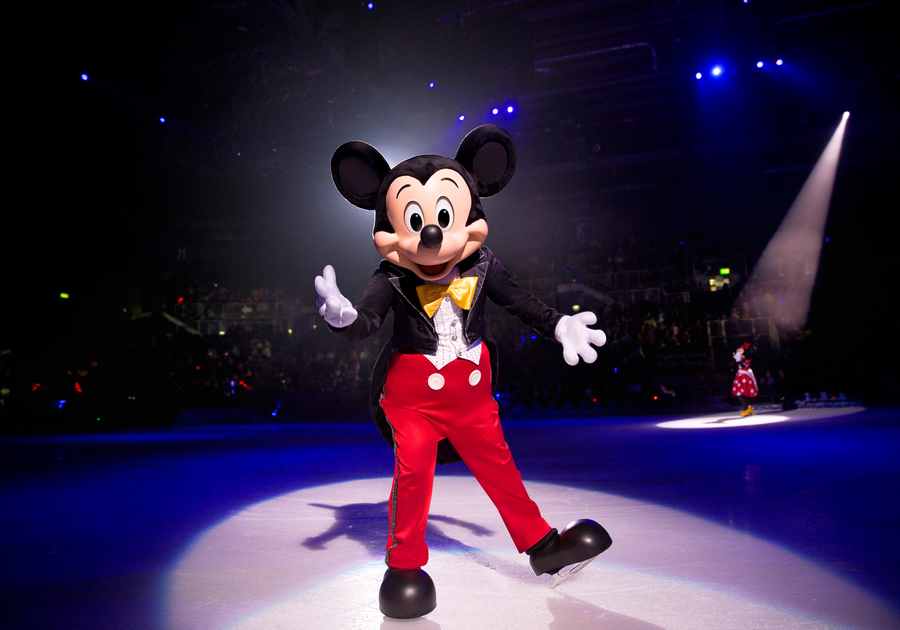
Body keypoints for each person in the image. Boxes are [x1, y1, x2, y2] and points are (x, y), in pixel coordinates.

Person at [731, 342, 758, 416]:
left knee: (740, 394)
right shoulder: (742, 357)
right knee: (741, 394)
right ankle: (748, 408)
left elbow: (740, 362)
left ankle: (746, 408)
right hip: (741, 376)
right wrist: (736, 355)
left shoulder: (745, 358)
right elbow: (736, 358)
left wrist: (737, 357)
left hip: (743, 377)